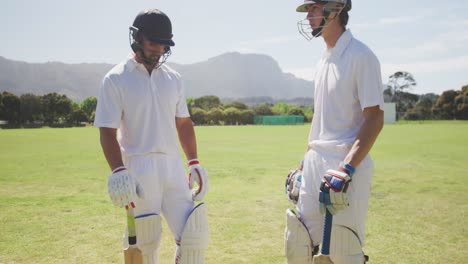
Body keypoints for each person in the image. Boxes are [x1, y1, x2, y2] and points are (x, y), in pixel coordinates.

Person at [94, 9, 209, 264]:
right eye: (153, 42)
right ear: (136, 38)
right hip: (138, 169)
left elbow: (184, 123)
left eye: (164, 44)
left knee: (194, 238)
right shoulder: (116, 79)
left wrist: (193, 162)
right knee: (145, 247)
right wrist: (118, 171)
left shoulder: (173, 78)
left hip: (173, 168)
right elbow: (107, 131)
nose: (159, 49)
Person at [284, 1, 384, 263]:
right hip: (316, 161)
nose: (308, 16)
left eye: (314, 9)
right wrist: (303, 166)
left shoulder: (361, 56)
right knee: (299, 243)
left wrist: (346, 168)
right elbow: (320, 120)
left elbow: (374, 117)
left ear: (336, 8)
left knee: (343, 252)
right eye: (307, 10)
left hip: (345, 165)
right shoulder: (322, 62)